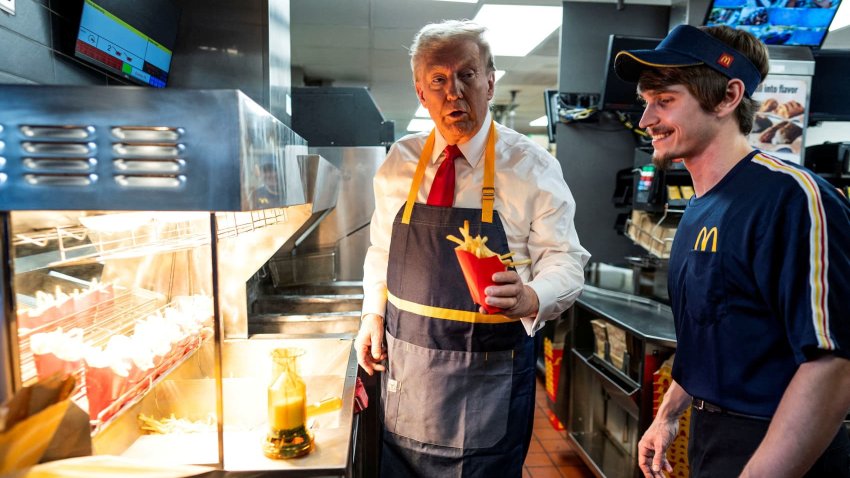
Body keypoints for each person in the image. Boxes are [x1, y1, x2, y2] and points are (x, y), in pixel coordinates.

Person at [355, 19, 589, 477]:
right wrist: (372, 314)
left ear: (489, 81)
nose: (454, 92)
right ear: (421, 93)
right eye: (438, 80)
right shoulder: (400, 163)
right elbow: (381, 249)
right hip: (406, 383)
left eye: (466, 75)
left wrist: (531, 297)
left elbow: (565, 260)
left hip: (489, 385)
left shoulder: (532, 166)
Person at [614, 24, 850, 477]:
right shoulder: (699, 210)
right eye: (647, 103)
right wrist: (668, 415)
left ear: (727, 97)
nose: (646, 120)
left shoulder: (793, 198)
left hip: (778, 444)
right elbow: (708, 335)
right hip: (711, 438)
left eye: (664, 101)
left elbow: (833, 363)